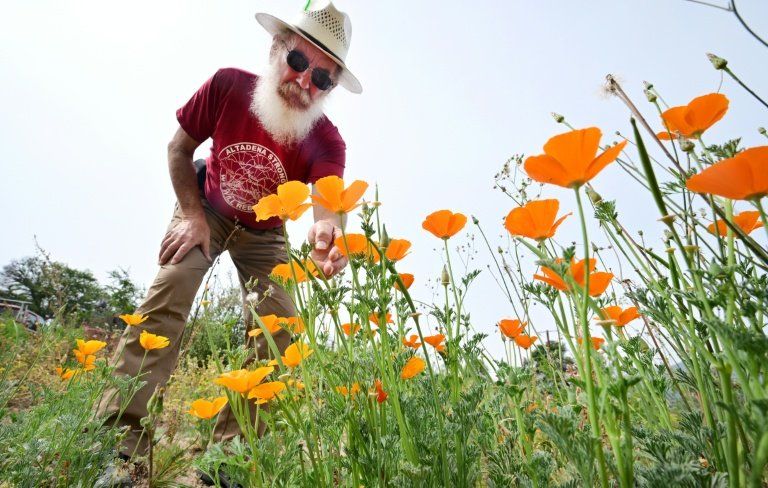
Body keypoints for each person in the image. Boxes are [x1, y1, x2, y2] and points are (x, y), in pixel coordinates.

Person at [96, 0, 362, 461]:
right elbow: (178, 150)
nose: (304, 81)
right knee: (173, 285)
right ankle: (120, 439)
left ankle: (231, 456)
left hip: (267, 234)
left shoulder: (327, 140)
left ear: (331, 87)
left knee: (279, 329)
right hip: (206, 208)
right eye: (298, 61)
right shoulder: (228, 86)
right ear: (277, 49)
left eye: (321, 77)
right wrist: (191, 215)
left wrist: (327, 234)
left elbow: (327, 205)